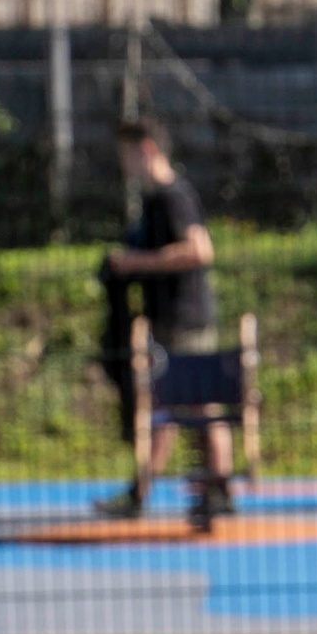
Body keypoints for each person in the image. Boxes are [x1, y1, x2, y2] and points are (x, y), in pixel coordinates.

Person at [95, 114, 231, 516]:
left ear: (147, 149)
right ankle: (143, 492)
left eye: (127, 155)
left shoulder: (175, 196)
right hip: (166, 320)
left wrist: (137, 263)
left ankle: (215, 488)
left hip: (186, 320)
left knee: (198, 405)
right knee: (166, 409)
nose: (124, 165)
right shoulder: (154, 201)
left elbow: (199, 250)